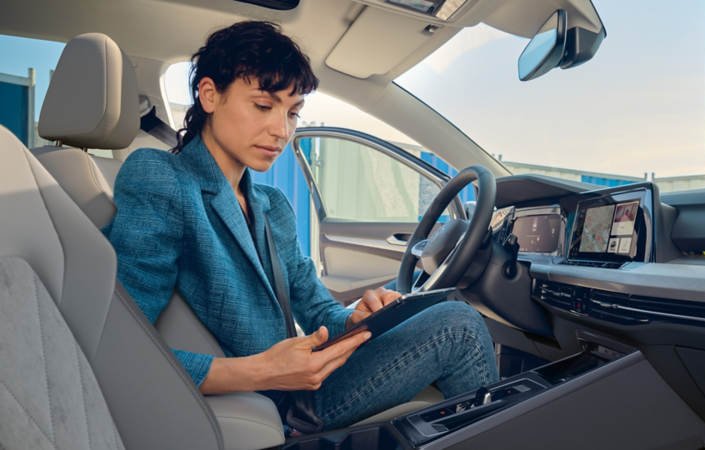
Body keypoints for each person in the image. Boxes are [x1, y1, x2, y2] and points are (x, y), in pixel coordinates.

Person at [103, 20, 499, 430]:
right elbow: (123, 343)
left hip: (299, 379)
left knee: (448, 314)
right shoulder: (161, 178)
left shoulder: (272, 205)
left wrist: (354, 318)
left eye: (292, 113)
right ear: (209, 95)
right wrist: (264, 371)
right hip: (268, 399)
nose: (281, 131)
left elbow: (314, 307)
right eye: (262, 106)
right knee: (460, 328)